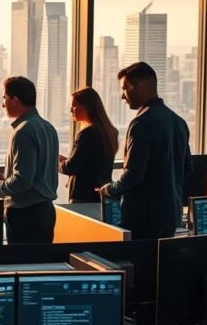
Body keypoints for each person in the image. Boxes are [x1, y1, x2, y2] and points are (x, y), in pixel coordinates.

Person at [99, 62, 192, 239]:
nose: (122, 96)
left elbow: (133, 174)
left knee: (141, 264)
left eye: (125, 89)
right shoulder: (178, 121)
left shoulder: (142, 122)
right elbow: (187, 167)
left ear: (139, 87)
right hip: (170, 214)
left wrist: (109, 190)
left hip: (144, 218)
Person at [0, 76, 59, 243]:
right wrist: (4, 178)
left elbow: (22, 181)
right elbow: (37, 174)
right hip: (45, 212)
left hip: (25, 215)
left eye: (4, 98)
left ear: (15, 100)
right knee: (40, 265)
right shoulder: (48, 128)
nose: (3, 104)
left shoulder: (23, 131)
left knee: (23, 264)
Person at [59, 87, 119, 203]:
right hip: (101, 193)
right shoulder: (111, 131)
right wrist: (67, 160)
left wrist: (56, 162)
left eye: (74, 105)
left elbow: (70, 167)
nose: (71, 110)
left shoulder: (87, 133)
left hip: (83, 196)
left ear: (87, 107)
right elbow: (92, 163)